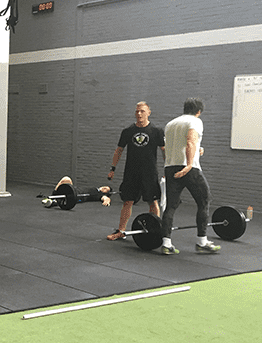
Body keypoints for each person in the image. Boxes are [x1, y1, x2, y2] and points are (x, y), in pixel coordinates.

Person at [160, 98, 218, 255]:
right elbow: (190, 141)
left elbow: (173, 147)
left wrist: (197, 150)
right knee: (204, 201)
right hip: (188, 168)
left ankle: (166, 243)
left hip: (170, 167)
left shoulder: (171, 124)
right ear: (198, 112)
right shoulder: (195, 121)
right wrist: (189, 164)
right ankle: (202, 242)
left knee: (171, 205)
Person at [106, 101, 165, 240]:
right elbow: (119, 150)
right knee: (128, 201)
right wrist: (112, 169)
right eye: (137, 111)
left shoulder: (156, 131)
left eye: (142, 111)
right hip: (131, 172)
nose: (139, 114)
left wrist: (167, 169)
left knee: (153, 201)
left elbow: (164, 151)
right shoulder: (128, 131)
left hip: (149, 173)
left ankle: (155, 230)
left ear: (149, 112)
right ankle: (121, 231)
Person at [40, 176, 113, 208]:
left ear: (106, 193)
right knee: (66, 179)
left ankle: (53, 202)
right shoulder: (95, 188)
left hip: (79, 196)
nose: (104, 187)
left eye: (106, 189)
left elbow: (105, 198)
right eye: (105, 186)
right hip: (74, 189)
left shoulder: (99, 194)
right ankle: (53, 196)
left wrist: (107, 201)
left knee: (68, 199)